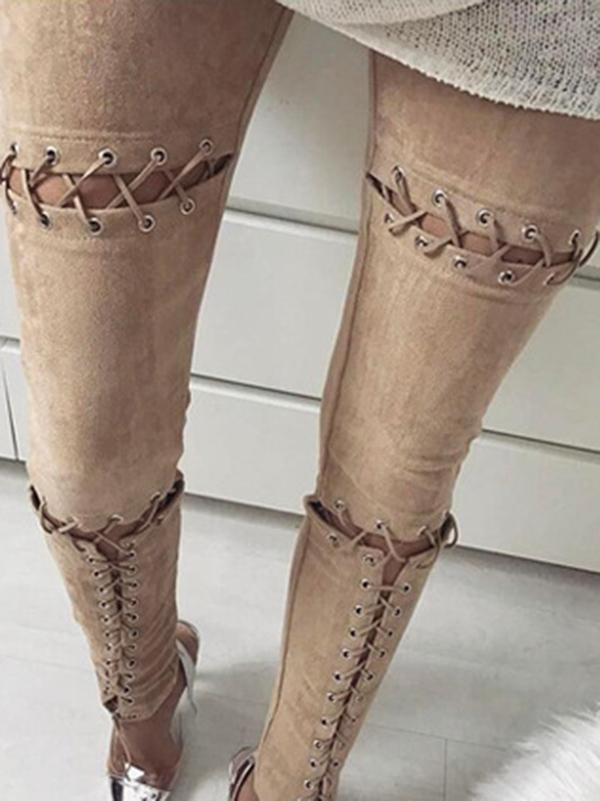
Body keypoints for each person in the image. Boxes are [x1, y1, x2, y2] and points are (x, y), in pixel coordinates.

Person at [0, 2, 598, 800]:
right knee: (85, 454)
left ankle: (291, 781)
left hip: (534, 24)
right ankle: (145, 701)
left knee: (392, 490)